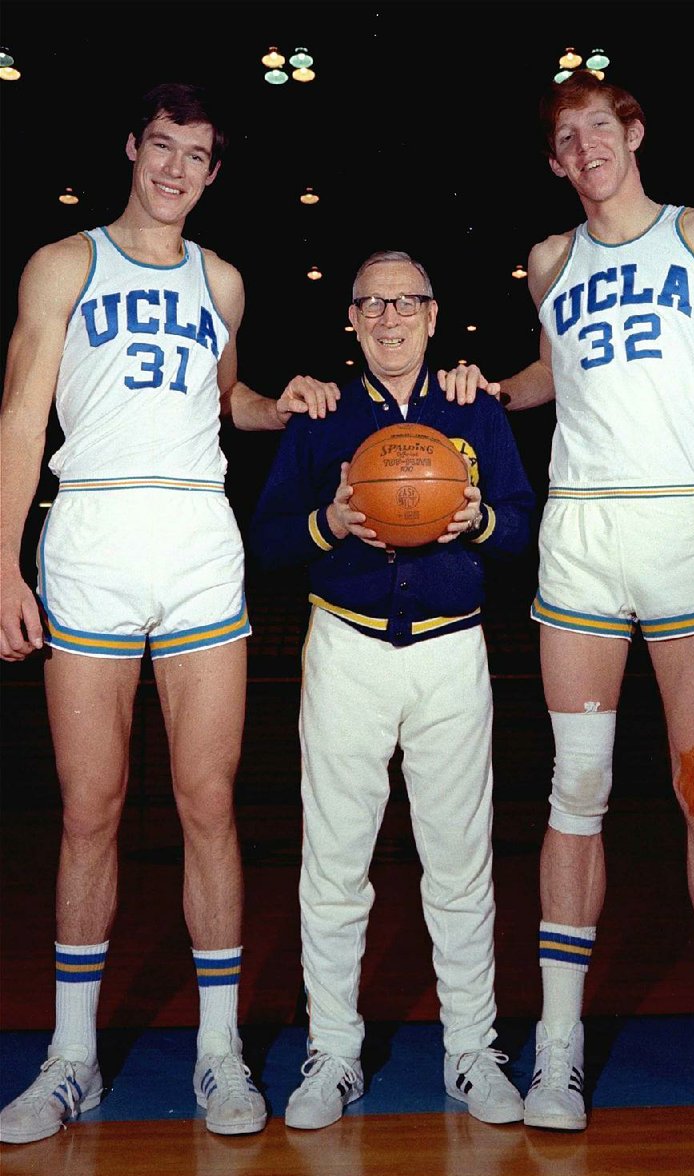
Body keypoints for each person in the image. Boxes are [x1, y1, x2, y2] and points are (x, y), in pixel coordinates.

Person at [0, 81, 347, 1145]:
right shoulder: (64, 263)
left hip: (198, 541)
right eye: (162, 147)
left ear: (212, 172)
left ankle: (216, 1053)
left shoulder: (224, 281)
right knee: (90, 808)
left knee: (208, 804)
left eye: (196, 156)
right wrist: (3, 565)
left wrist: (271, 404)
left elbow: (223, 399)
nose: (175, 169)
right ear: (132, 149)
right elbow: (20, 412)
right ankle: (71, 1060)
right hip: (95, 537)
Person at [495, 71, 694, 1134]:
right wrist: (487, 393)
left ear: (629, 132)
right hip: (581, 538)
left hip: (679, 528)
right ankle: (558, 1051)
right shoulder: (548, 260)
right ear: (552, 162)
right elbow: (550, 374)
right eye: (564, 142)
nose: (584, 152)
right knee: (572, 793)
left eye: (597, 130)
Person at [249, 249, 538, 1130]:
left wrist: (480, 517)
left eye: (404, 300)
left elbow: (523, 526)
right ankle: (333, 1049)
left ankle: (470, 1048)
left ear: (433, 313)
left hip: (451, 655)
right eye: (369, 303)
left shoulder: (472, 406)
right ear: (351, 319)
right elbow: (264, 541)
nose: (387, 317)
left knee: (459, 865)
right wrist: (325, 522)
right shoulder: (320, 415)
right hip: (346, 650)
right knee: (335, 866)